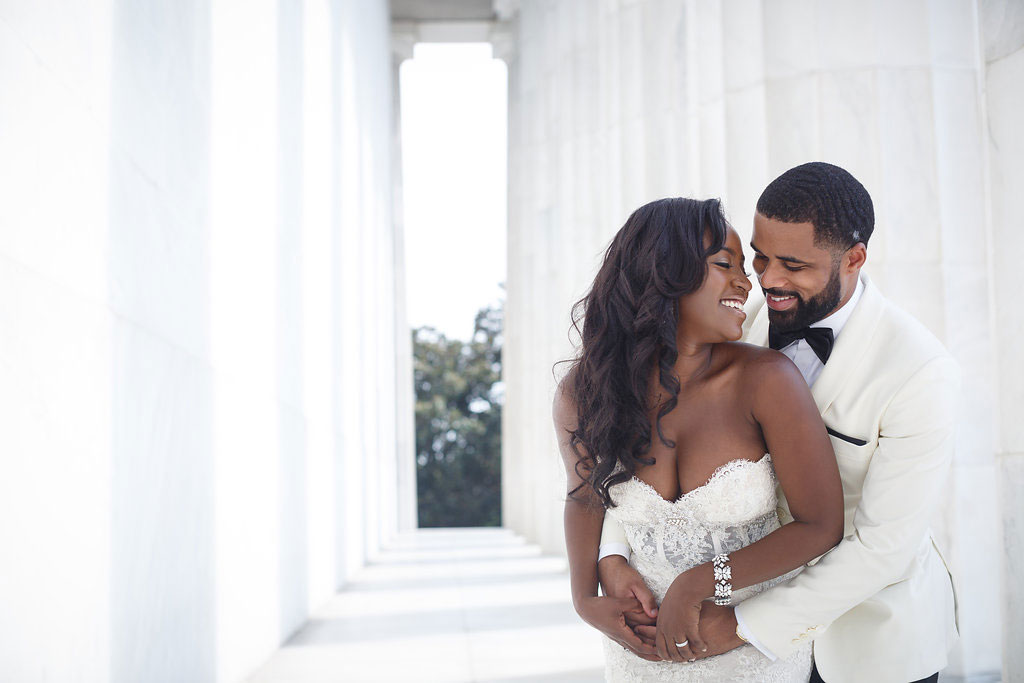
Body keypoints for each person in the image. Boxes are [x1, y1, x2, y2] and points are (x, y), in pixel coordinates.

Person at [598, 163, 959, 683]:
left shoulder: (921, 372)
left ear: (854, 259)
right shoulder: (733, 320)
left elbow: (883, 548)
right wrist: (612, 554)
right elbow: (654, 444)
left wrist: (738, 623)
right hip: (741, 638)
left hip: (867, 644)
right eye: (761, 258)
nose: (766, 281)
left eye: (793, 265)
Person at [553, 196, 846, 681]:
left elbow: (821, 525)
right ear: (665, 273)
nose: (745, 282)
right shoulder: (585, 392)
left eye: (741, 268)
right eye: (723, 264)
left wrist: (701, 583)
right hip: (638, 648)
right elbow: (584, 498)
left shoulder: (766, 379)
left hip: (748, 645)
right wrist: (585, 598)